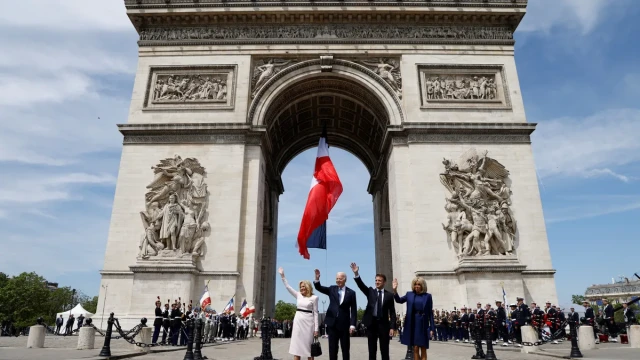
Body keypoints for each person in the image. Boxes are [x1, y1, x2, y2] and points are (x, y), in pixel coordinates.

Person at [350, 262, 396, 360]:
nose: (377, 282)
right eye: (376, 280)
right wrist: (356, 274)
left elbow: (392, 312)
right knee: (372, 350)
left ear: (384, 282)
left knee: (384, 351)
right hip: (371, 325)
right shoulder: (370, 292)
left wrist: (392, 327)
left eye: (379, 280)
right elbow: (361, 286)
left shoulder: (389, 295)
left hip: (384, 325)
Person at [313, 268, 357, 360]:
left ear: (345, 279)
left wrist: (352, 325)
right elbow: (319, 288)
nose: (338, 280)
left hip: (344, 325)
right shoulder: (332, 289)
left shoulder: (351, 293)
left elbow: (353, 310)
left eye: (340, 278)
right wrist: (317, 279)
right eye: (337, 278)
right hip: (332, 324)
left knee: (345, 349)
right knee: (332, 349)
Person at [279, 267, 319, 360]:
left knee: (309, 349)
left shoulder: (314, 298)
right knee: (296, 348)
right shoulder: (298, 295)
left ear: (308, 287)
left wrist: (316, 329)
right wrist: (282, 276)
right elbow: (288, 287)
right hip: (298, 322)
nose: (302, 288)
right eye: (300, 287)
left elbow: (316, 313)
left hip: (309, 324)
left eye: (303, 286)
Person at [392, 277, 435, 360]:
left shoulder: (428, 296)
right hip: (413, 323)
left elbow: (430, 313)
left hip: (423, 323)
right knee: (415, 347)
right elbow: (399, 300)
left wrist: (432, 328)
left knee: (423, 347)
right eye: (415, 284)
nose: (417, 286)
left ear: (423, 285)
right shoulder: (409, 294)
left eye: (419, 284)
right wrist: (395, 290)